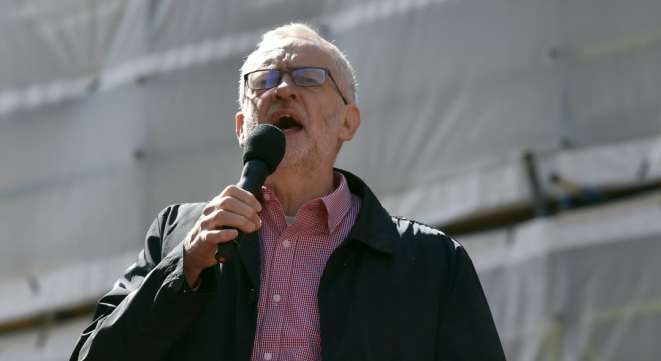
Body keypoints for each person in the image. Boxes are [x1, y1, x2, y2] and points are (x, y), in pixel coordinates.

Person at [71, 23, 506, 361]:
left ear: (347, 122)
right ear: (243, 128)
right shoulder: (176, 236)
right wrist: (184, 267)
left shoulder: (431, 264)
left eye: (309, 77)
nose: (282, 88)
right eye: (264, 79)